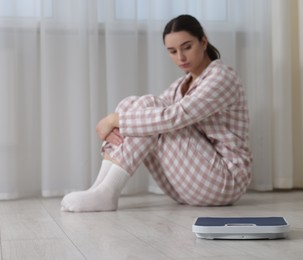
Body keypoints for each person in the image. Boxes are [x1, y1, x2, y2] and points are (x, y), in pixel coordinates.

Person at [61, 14, 252, 212]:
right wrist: (119, 120)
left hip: (225, 181)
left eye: (187, 47)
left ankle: (107, 192)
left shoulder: (221, 77)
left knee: (151, 109)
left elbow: (174, 116)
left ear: (203, 42)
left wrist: (113, 120)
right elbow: (148, 113)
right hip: (185, 186)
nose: (181, 57)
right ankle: (100, 188)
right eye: (172, 51)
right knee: (134, 105)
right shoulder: (181, 84)